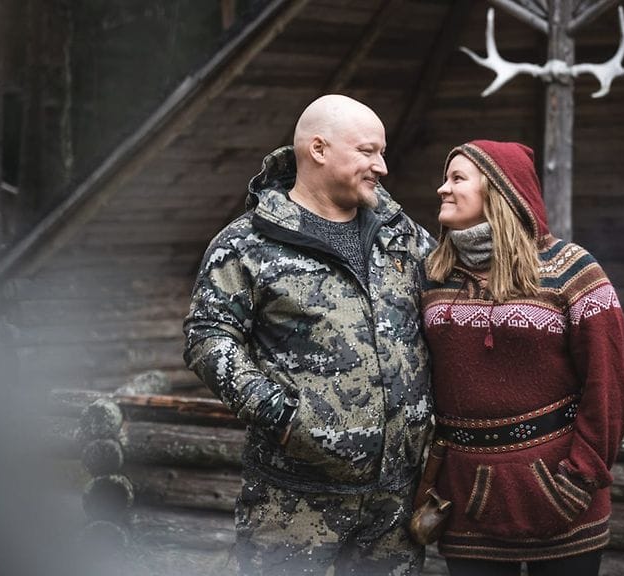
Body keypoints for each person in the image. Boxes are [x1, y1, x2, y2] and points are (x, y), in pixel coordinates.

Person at [183, 94, 436, 575]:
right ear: (318, 149)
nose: (382, 166)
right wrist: (281, 415)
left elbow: (456, 294)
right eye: (367, 151)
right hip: (294, 501)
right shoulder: (246, 243)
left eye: (382, 152)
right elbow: (207, 336)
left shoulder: (402, 235)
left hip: (395, 501)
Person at [421, 140, 624, 575]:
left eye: (457, 178)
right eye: (445, 178)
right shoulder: (433, 275)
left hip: (562, 492)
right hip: (467, 497)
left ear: (500, 190)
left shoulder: (571, 270)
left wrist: (579, 478)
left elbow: (609, 383)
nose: (443, 188)